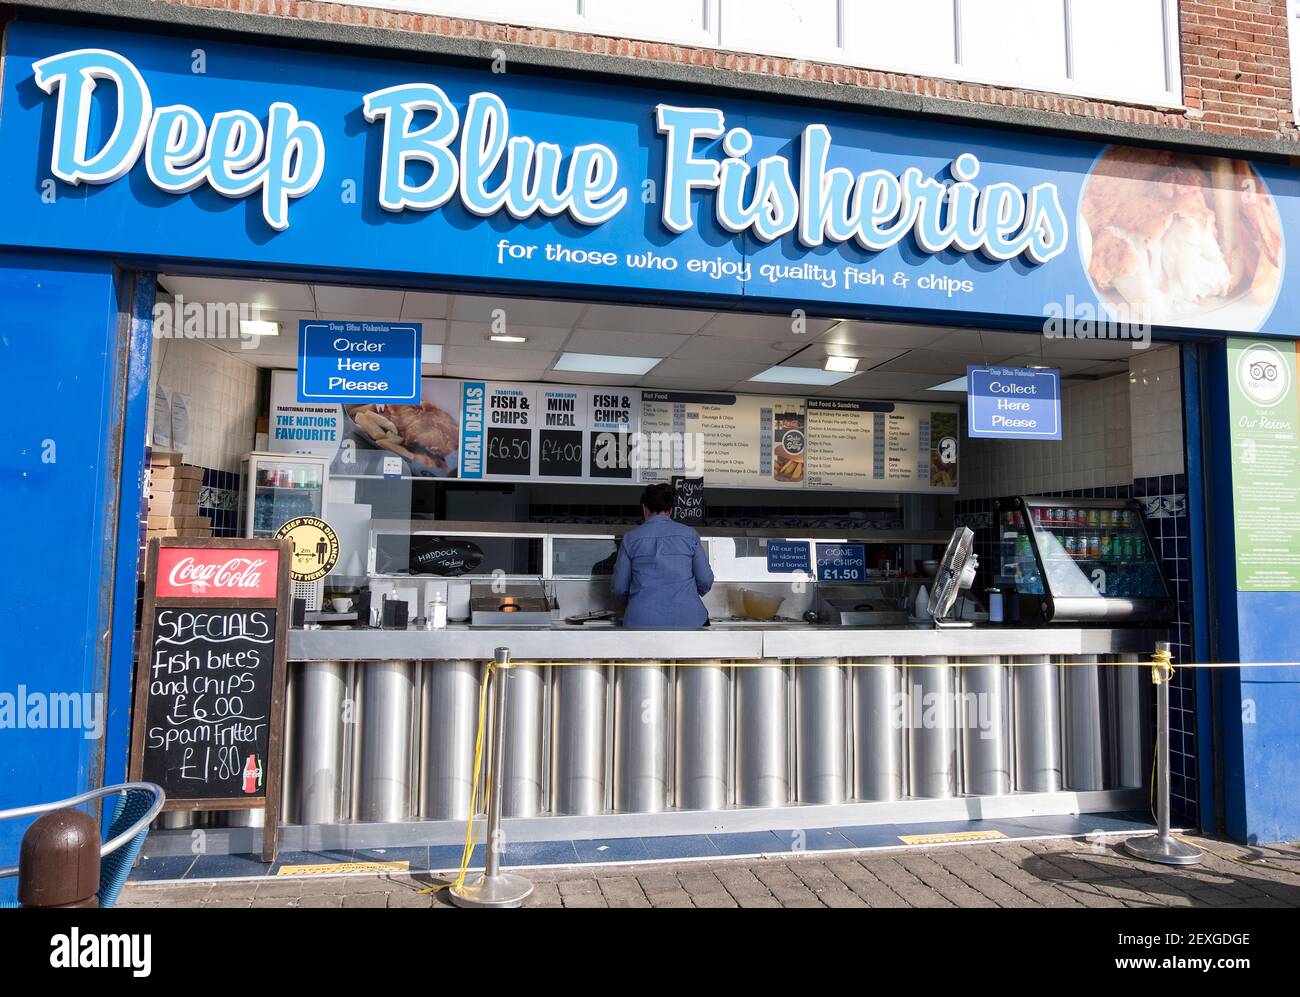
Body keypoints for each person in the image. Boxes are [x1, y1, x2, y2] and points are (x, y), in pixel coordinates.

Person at [612, 483, 714, 628]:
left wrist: (636, 600)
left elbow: (619, 588)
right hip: (689, 619)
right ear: (670, 510)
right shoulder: (689, 535)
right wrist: (687, 595)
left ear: (644, 508)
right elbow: (705, 579)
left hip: (641, 620)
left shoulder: (630, 539)